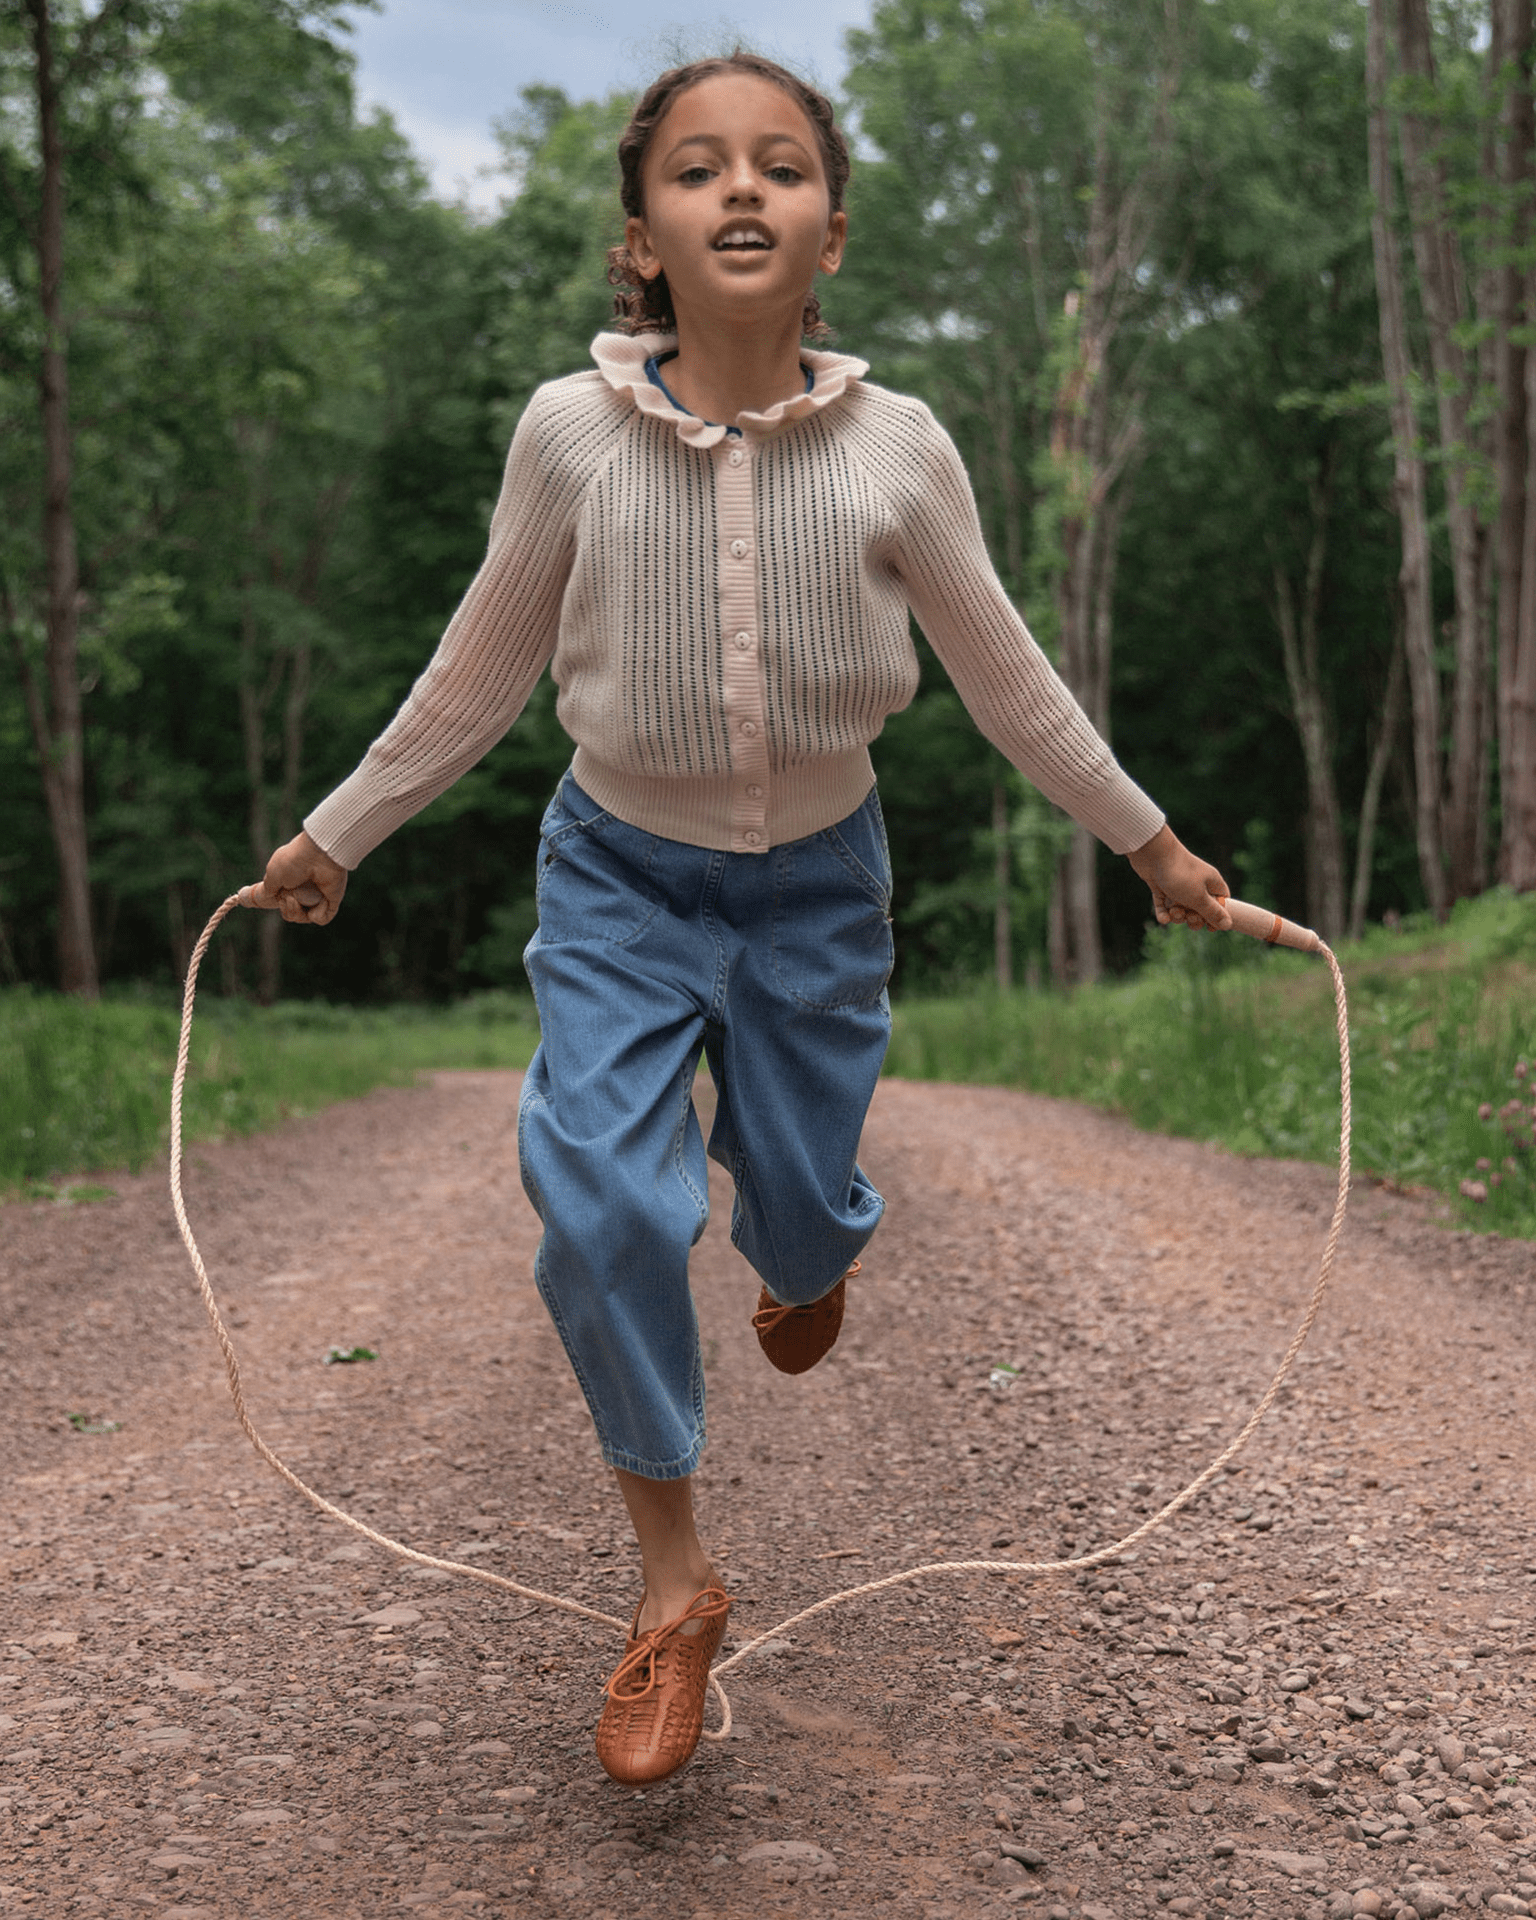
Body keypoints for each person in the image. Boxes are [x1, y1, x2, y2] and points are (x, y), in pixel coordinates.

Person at [243, 50, 1232, 1788]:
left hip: (816, 894)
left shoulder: (900, 450)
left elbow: (1012, 684)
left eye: (780, 166)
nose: (743, 191)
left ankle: (808, 1239)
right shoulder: (567, 436)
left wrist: (1152, 848)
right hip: (616, 873)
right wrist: (340, 833)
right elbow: (478, 669)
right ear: (645, 239)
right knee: (603, 1202)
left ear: (831, 232)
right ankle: (672, 1586)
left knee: (798, 1202)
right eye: (700, 171)